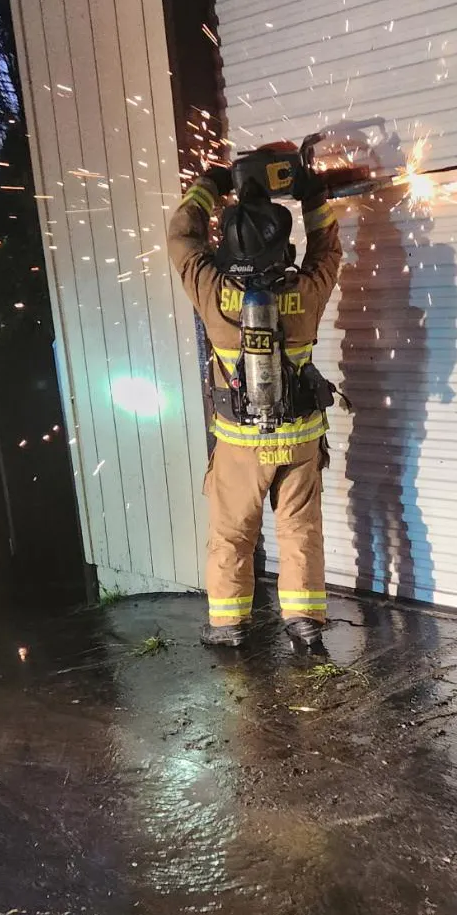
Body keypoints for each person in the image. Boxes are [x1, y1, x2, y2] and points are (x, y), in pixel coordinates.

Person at [167, 156, 342, 656]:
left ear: (226, 246)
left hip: (240, 444)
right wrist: (311, 194)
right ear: (282, 247)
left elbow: (181, 239)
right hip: (301, 438)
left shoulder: (213, 291)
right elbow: (328, 249)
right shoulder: (305, 292)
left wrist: (210, 185)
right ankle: (305, 625)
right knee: (300, 532)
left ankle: (229, 626)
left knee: (231, 534)